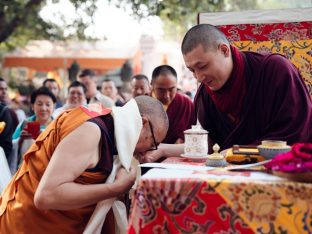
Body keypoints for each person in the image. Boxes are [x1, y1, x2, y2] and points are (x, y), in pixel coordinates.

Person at [142, 23, 312, 163]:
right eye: (192, 70)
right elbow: (208, 146)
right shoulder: (204, 95)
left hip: (286, 173)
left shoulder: (276, 71)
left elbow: (296, 136)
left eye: (202, 66)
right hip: (229, 182)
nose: (199, 77)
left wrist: (237, 153)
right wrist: (163, 149)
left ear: (224, 50)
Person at [0, 96, 169, 233]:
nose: (148, 152)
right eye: (153, 143)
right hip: (30, 224)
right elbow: (46, 196)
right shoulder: (91, 131)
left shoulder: (110, 124)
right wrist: (116, 188)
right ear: (143, 123)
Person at [151, 65, 196, 144]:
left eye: (171, 89)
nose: (167, 95)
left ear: (176, 85)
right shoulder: (142, 104)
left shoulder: (185, 104)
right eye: (161, 90)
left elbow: (192, 134)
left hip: (177, 154)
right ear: (152, 84)